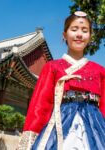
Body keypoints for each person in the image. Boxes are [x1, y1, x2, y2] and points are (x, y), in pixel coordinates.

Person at [18, 11, 105, 150]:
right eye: (74, 29)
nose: (79, 34)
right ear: (64, 35)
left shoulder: (100, 71)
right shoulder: (52, 67)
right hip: (61, 123)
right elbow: (40, 105)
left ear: (90, 37)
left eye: (84, 30)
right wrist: (31, 136)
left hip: (96, 128)